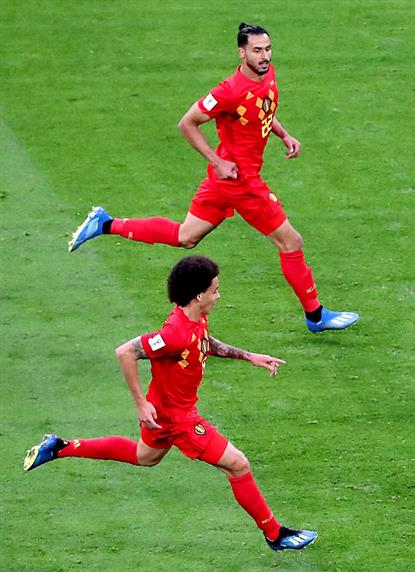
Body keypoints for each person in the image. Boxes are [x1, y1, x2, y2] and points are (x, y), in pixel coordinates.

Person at [67, 22, 358, 334]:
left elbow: (264, 110)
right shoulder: (228, 91)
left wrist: (283, 134)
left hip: (225, 182)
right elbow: (187, 123)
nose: (264, 56)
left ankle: (105, 223)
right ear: (241, 52)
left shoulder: (267, 75)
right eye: (257, 50)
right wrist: (217, 161)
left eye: (268, 49)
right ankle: (316, 316)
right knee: (291, 241)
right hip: (240, 181)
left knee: (185, 236)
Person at [24, 255, 317, 552]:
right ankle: (275, 534)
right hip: (178, 419)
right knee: (238, 465)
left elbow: (203, 341)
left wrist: (248, 356)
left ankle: (60, 447)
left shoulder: (192, 318)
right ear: (198, 295)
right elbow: (125, 352)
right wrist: (140, 404)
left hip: (165, 410)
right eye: (215, 290)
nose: (218, 295)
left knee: (145, 456)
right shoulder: (174, 334)